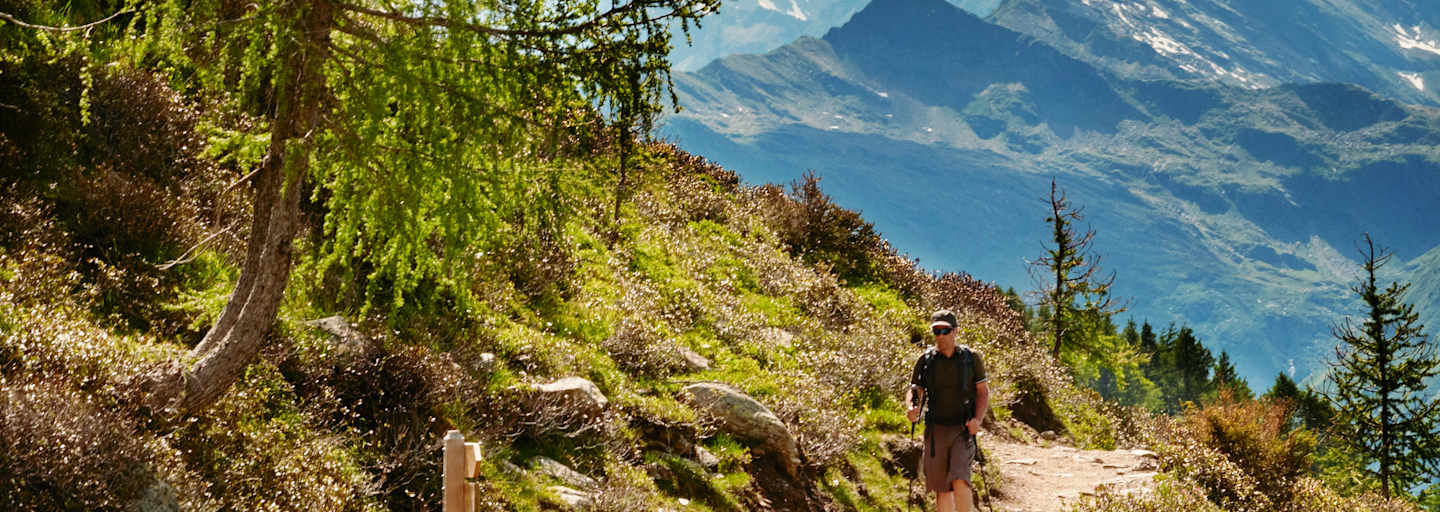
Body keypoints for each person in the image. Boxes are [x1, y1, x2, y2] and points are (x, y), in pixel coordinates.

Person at [905, 309, 990, 512]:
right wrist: (911, 407)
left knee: (960, 480)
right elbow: (914, 390)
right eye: (937, 332)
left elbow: (983, 393)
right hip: (936, 431)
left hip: (962, 429)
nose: (940, 336)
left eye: (945, 331)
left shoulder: (971, 359)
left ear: (956, 331)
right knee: (942, 490)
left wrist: (977, 420)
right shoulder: (925, 361)